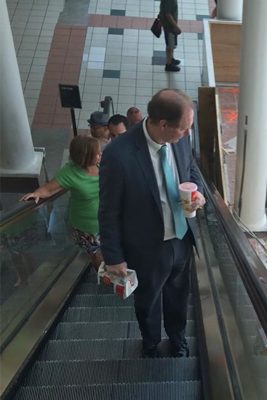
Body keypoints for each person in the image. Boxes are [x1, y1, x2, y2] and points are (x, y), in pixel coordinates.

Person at [99, 89, 205, 358]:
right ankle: (150, 341)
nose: (187, 134)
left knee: (179, 295)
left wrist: (198, 192)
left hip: (182, 237)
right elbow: (109, 210)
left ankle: (177, 337)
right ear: (163, 125)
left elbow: (191, 168)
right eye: (183, 129)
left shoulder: (180, 138)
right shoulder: (118, 154)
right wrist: (113, 257)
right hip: (146, 246)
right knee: (147, 299)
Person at [21, 136, 103, 270]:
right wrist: (36, 194)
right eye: (97, 153)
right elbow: (48, 189)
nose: (101, 155)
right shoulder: (70, 172)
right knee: (97, 255)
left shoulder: (101, 164)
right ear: (85, 156)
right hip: (87, 227)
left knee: (109, 251)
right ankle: (101, 274)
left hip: (108, 221)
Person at [159, 0, 182, 72]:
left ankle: (171, 59)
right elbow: (168, 15)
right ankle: (168, 64)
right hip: (170, 26)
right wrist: (176, 27)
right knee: (170, 45)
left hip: (171, 26)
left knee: (171, 44)